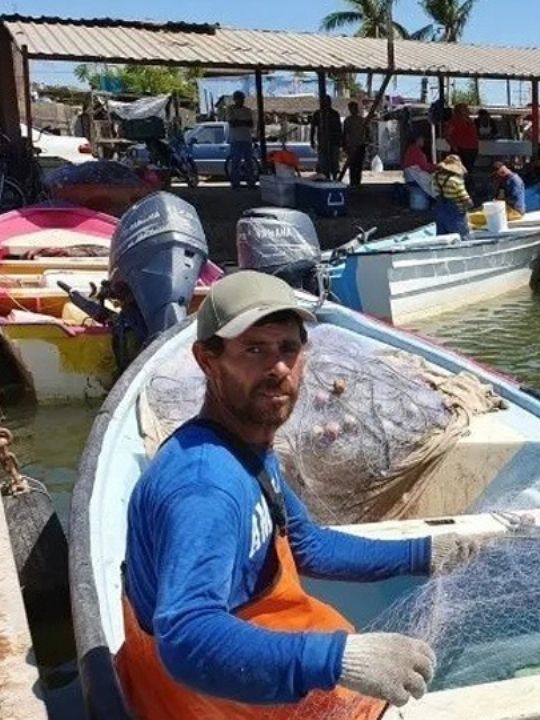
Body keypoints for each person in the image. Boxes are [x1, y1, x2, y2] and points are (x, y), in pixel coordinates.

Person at [116, 271, 478, 718]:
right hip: (201, 698)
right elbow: (186, 637)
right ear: (206, 360)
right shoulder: (204, 486)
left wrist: (421, 554)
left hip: (252, 643)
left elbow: (306, 543)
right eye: (254, 350)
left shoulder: (247, 444)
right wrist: (337, 660)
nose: (279, 368)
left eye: (288, 348)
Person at [433, 154, 473, 239]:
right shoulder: (456, 180)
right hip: (455, 212)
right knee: (461, 236)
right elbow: (464, 196)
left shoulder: (436, 177)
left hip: (440, 209)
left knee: (442, 238)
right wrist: (470, 204)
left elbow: (435, 192)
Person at [226, 91, 257, 189]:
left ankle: (251, 183)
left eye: (242, 99)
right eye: (239, 99)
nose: (241, 101)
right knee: (235, 162)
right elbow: (232, 123)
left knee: (249, 162)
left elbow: (250, 124)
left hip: (247, 139)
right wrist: (243, 121)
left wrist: (239, 121)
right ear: (235, 99)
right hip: (235, 139)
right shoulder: (230, 109)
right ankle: (235, 183)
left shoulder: (248, 110)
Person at [310, 95, 343, 180]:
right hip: (322, 142)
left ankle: (335, 178)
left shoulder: (335, 114)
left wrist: (341, 141)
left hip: (334, 141)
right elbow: (313, 128)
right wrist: (312, 141)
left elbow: (339, 128)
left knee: (334, 162)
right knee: (323, 162)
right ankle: (324, 178)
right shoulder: (317, 114)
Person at [444, 103, 479, 173]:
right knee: (460, 170)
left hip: (472, 148)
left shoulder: (470, 120)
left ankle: (467, 182)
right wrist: (454, 146)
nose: (467, 110)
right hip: (461, 149)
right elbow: (447, 135)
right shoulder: (454, 121)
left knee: (469, 169)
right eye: (465, 108)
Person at [343, 101, 367, 188]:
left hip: (360, 145)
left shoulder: (362, 120)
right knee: (352, 165)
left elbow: (367, 132)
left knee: (359, 165)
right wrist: (344, 145)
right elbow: (344, 133)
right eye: (352, 108)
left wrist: (366, 140)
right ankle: (353, 182)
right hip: (351, 146)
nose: (354, 110)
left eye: (355, 108)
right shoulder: (348, 120)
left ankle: (358, 182)